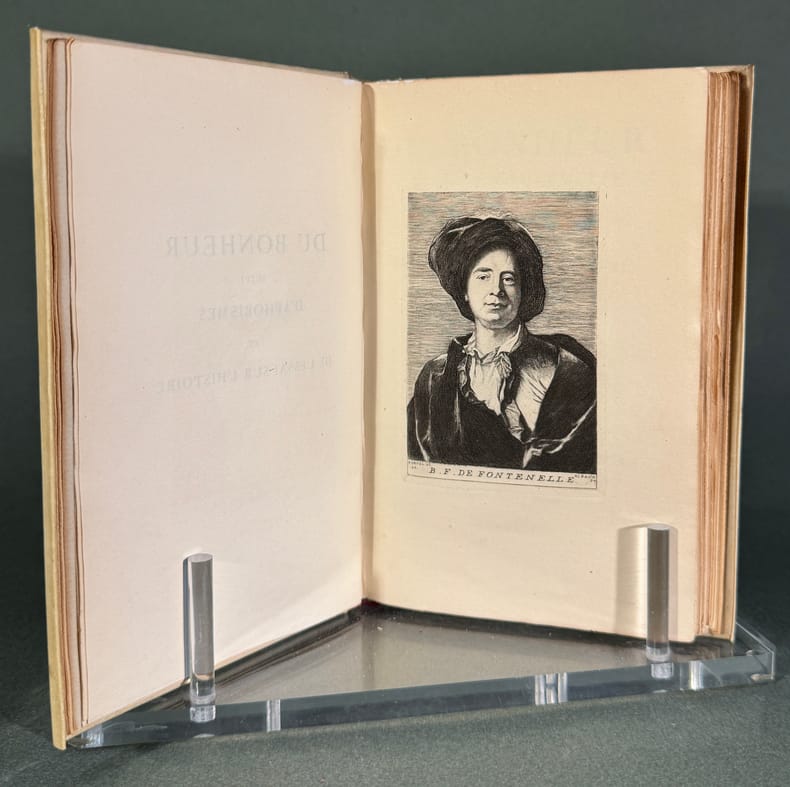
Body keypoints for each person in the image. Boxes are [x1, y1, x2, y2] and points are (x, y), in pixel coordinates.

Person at [407, 216, 596, 474]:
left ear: (523, 290)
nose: (496, 290)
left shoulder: (567, 370)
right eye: (483, 277)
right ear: (464, 289)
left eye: (508, 279)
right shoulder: (435, 379)